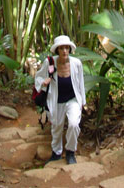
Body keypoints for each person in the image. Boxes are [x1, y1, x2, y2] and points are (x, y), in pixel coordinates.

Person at [34, 35, 86, 165]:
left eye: (67, 48)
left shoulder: (76, 63)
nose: (64, 51)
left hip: (72, 99)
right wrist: (43, 83)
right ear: (57, 50)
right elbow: (38, 77)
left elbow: (81, 84)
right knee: (57, 127)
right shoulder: (50, 62)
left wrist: (83, 102)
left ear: (70, 49)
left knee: (74, 124)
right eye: (61, 48)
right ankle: (56, 153)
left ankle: (70, 152)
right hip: (56, 100)